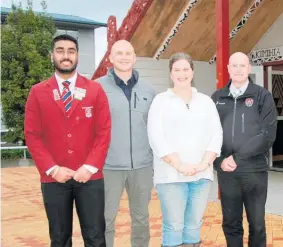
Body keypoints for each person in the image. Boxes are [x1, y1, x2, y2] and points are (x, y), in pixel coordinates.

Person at [24, 34, 111, 247]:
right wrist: (53, 169)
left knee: (95, 237)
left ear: (77, 56)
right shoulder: (37, 92)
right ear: (52, 55)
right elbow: (32, 135)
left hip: (89, 177)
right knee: (59, 238)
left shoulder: (95, 90)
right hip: (54, 179)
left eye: (71, 51)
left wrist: (89, 167)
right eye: (60, 50)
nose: (66, 55)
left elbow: (104, 131)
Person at [147, 52, 223, 247]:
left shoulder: (205, 101)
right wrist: (179, 165)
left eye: (185, 69)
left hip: (201, 175)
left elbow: (216, 134)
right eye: (177, 70)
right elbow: (156, 137)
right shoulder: (160, 101)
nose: (182, 74)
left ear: (192, 71)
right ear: (171, 74)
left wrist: (204, 164)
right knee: (174, 225)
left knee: (194, 225)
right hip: (171, 176)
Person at [211, 52, 277, 247]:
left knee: (257, 225)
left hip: (254, 172)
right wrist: (219, 161)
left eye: (242, 65)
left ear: (249, 68)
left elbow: (267, 135)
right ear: (228, 69)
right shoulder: (217, 98)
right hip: (227, 172)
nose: (238, 69)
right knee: (231, 224)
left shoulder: (262, 96)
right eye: (234, 65)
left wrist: (237, 158)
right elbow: (207, 134)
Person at [96, 40, 156, 247]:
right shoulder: (96, 88)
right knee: (104, 220)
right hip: (108, 167)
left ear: (134, 57)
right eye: (118, 53)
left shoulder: (149, 90)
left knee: (141, 220)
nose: (124, 57)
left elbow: (154, 127)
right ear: (110, 58)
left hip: (142, 167)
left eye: (128, 53)